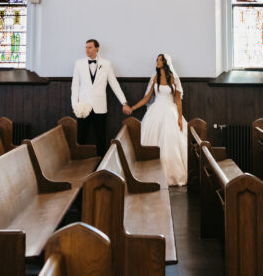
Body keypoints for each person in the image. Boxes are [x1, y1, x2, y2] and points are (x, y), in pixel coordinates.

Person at [129, 53, 187, 186]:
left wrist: (179, 117)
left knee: (170, 141)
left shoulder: (173, 78)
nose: (157, 62)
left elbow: (178, 100)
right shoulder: (154, 78)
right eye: (157, 59)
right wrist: (132, 108)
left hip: (170, 111)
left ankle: (171, 175)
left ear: (166, 63)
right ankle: (149, 173)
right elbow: (146, 98)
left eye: (160, 60)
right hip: (156, 110)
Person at [71, 39, 131, 156]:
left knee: (101, 137)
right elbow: (75, 86)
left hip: (100, 107)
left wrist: (124, 102)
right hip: (83, 107)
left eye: (90, 47)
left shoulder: (106, 64)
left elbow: (114, 84)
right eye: (86, 47)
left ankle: (101, 164)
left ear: (97, 49)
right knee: (81, 137)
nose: (87, 50)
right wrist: (75, 105)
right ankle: (79, 163)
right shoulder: (79, 63)